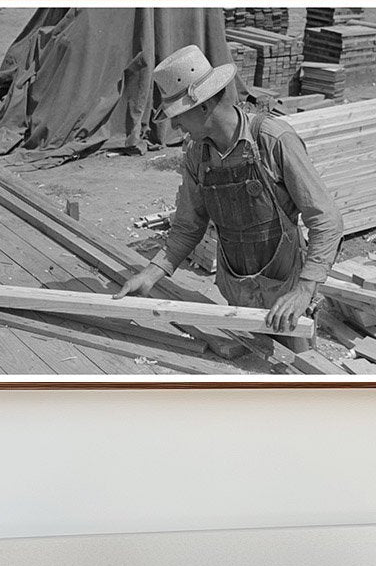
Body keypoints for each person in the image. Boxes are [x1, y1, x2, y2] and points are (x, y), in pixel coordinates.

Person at [114, 44, 343, 348]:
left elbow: (327, 220)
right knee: (247, 363)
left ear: (204, 107)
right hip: (236, 291)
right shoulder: (198, 154)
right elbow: (187, 226)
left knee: (298, 366)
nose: (175, 124)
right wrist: (151, 273)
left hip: (285, 290)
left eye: (179, 115)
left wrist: (303, 290)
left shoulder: (273, 140)